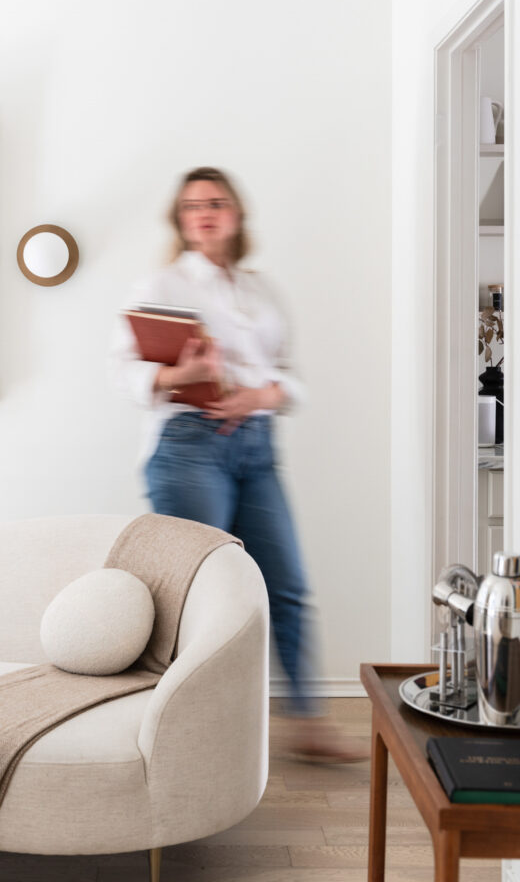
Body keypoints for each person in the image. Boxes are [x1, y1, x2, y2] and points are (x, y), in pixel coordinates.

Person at [111, 166, 366, 762]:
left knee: (288, 585)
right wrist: (187, 375)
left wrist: (258, 396)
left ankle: (309, 722)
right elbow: (123, 373)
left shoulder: (261, 291)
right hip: (188, 448)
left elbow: (293, 382)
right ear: (179, 220)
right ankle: (178, 729)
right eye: (193, 204)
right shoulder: (163, 283)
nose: (206, 211)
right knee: (197, 594)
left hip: (256, 448)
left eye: (218, 202)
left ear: (237, 215)